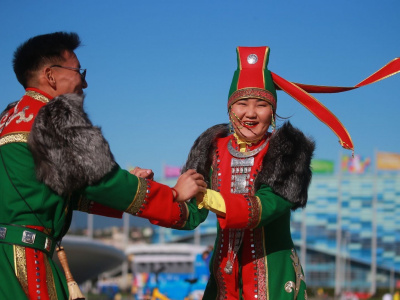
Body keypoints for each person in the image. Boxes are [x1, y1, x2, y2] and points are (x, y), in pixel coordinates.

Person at [152, 46, 400, 299]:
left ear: (272, 112)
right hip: (224, 283)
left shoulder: (288, 150)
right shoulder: (211, 148)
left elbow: (266, 206)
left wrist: (206, 197)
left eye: (261, 104)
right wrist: (149, 192)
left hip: (275, 281)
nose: (250, 113)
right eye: (242, 103)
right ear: (229, 109)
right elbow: (189, 215)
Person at [0, 32, 206, 299]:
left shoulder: (9, 117)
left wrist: (131, 181)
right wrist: (173, 194)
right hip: (25, 265)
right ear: (50, 75)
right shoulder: (52, 117)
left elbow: (58, 192)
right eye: (78, 71)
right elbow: (102, 182)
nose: (84, 82)